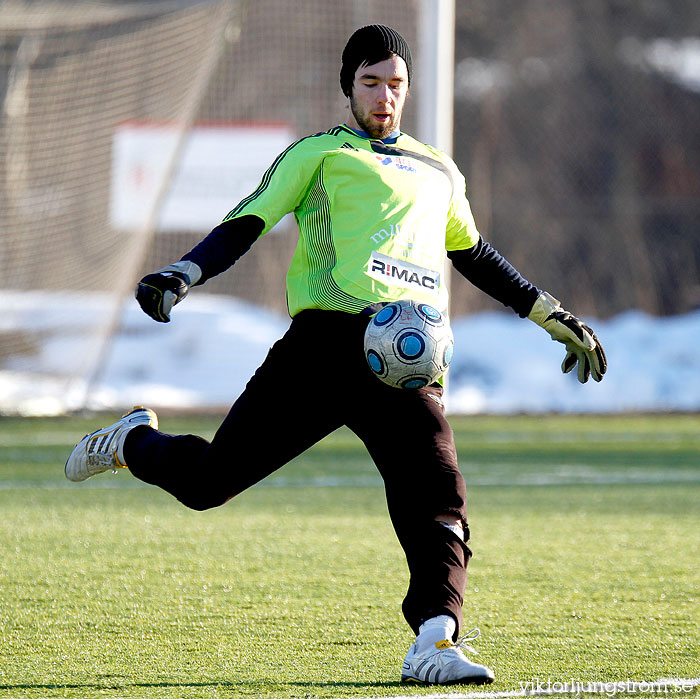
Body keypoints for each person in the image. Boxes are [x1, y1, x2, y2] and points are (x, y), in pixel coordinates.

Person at [65, 25, 606, 686]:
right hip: (320, 355)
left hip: (408, 360)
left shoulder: (438, 169)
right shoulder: (319, 155)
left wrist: (549, 313)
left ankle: (434, 639)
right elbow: (250, 218)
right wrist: (184, 272)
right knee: (209, 483)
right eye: (371, 81)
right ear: (348, 85)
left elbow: (473, 253)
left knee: (440, 497)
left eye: (396, 83)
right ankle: (133, 442)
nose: (385, 95)